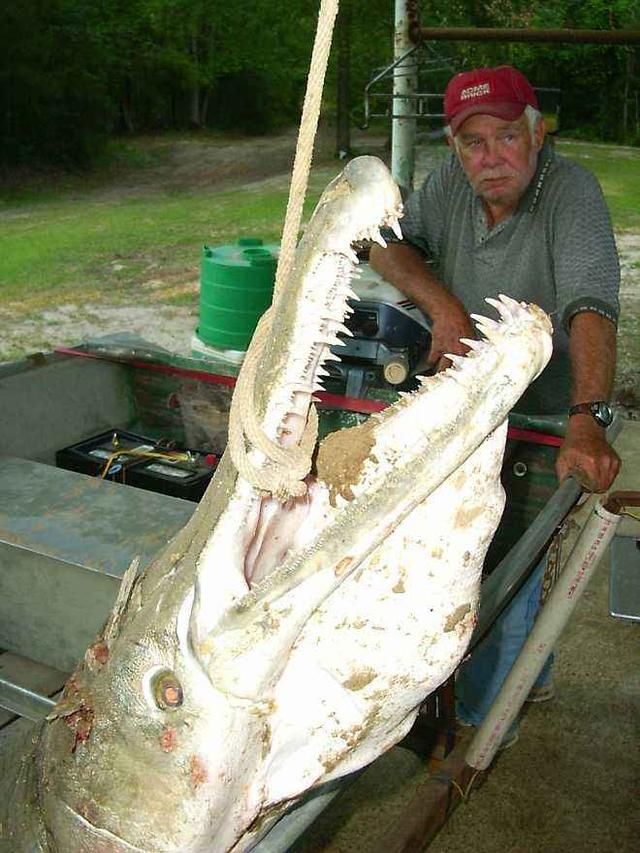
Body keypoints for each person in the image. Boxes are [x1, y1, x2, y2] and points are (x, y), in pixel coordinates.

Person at [369, 65, 621, 744]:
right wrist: (443, 305)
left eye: (508, 135)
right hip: (472, 403)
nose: (491, 156)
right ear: (454, 149)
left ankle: (480, 724)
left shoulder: (572, 191)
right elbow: (382, 242)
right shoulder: (452, 184)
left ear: (538, 134)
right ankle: (526, 678)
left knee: (510, 553)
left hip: (549, 407)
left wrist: (587, 420)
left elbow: (592, 305)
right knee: (466, 544)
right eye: (472, 142)